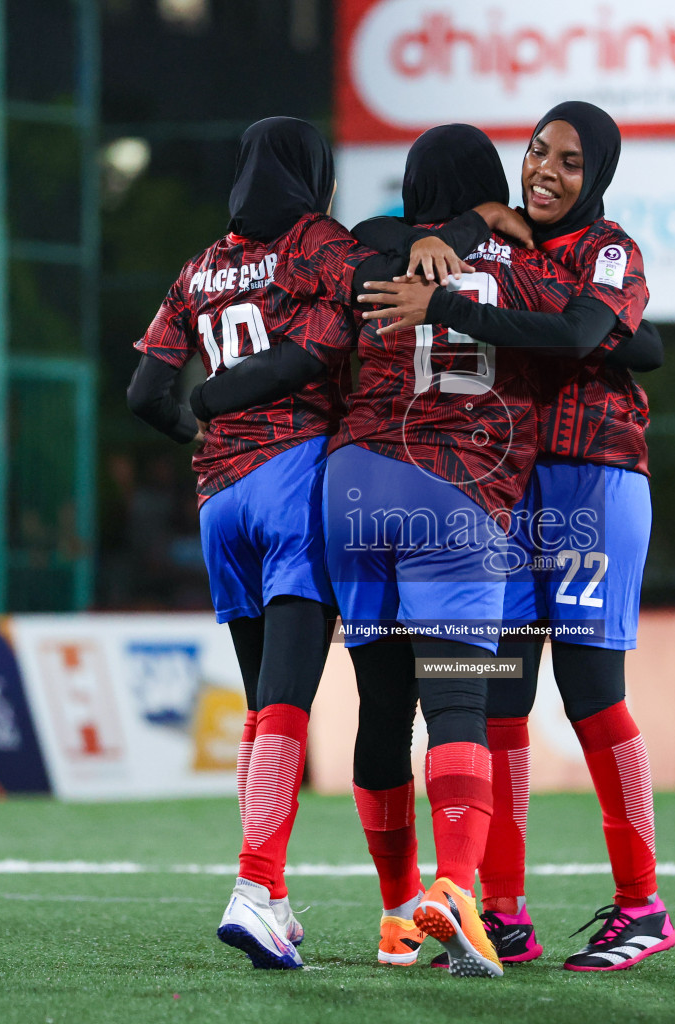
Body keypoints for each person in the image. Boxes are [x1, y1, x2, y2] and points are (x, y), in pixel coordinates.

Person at [124, 116, 512, 970]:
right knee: (361, 700)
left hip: (227, 498)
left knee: (273, 707)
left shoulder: (199, 267)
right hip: (323, 480)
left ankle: (329, 906)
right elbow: (325, 342)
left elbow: (145, 390)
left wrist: (200, 420)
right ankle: (261, 886)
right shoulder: (322, 245)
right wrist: (478, 226)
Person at [362, 100, 674, 972]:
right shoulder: (511, 247)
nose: (547, 170)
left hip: (595, 482)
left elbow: (585, 334)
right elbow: (384, 233)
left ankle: (642, 906)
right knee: (502, 693)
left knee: (590, 688)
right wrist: (470, 227)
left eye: (570, 161)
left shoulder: (607, 249)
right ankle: (501, 912)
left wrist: (451, 308)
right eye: (538, 151)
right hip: (519, 487)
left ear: (598, 177)